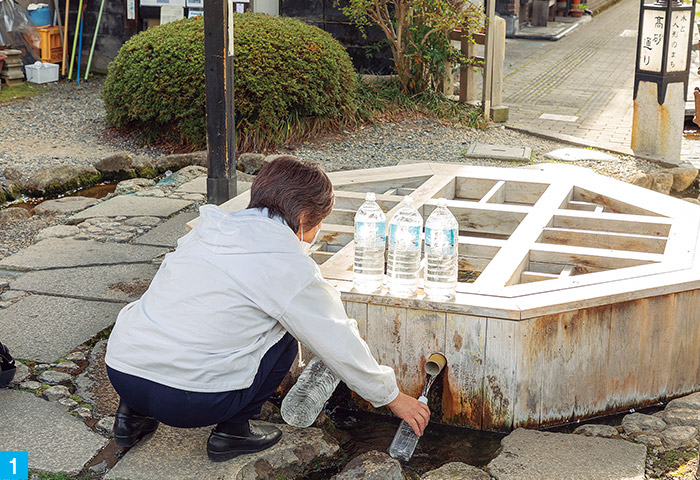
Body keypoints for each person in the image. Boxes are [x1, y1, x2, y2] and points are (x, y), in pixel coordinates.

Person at [105, 156, 430, 462]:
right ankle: (232, 433)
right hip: (191, 401)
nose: (314, 236)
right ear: (304, 219)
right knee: (286, 335)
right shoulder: (286, 263)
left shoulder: (210, 229)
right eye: (318, 225)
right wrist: (392, 397)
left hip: (122, 372)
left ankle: (130, 418)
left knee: (174, 312)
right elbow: (335, 337)